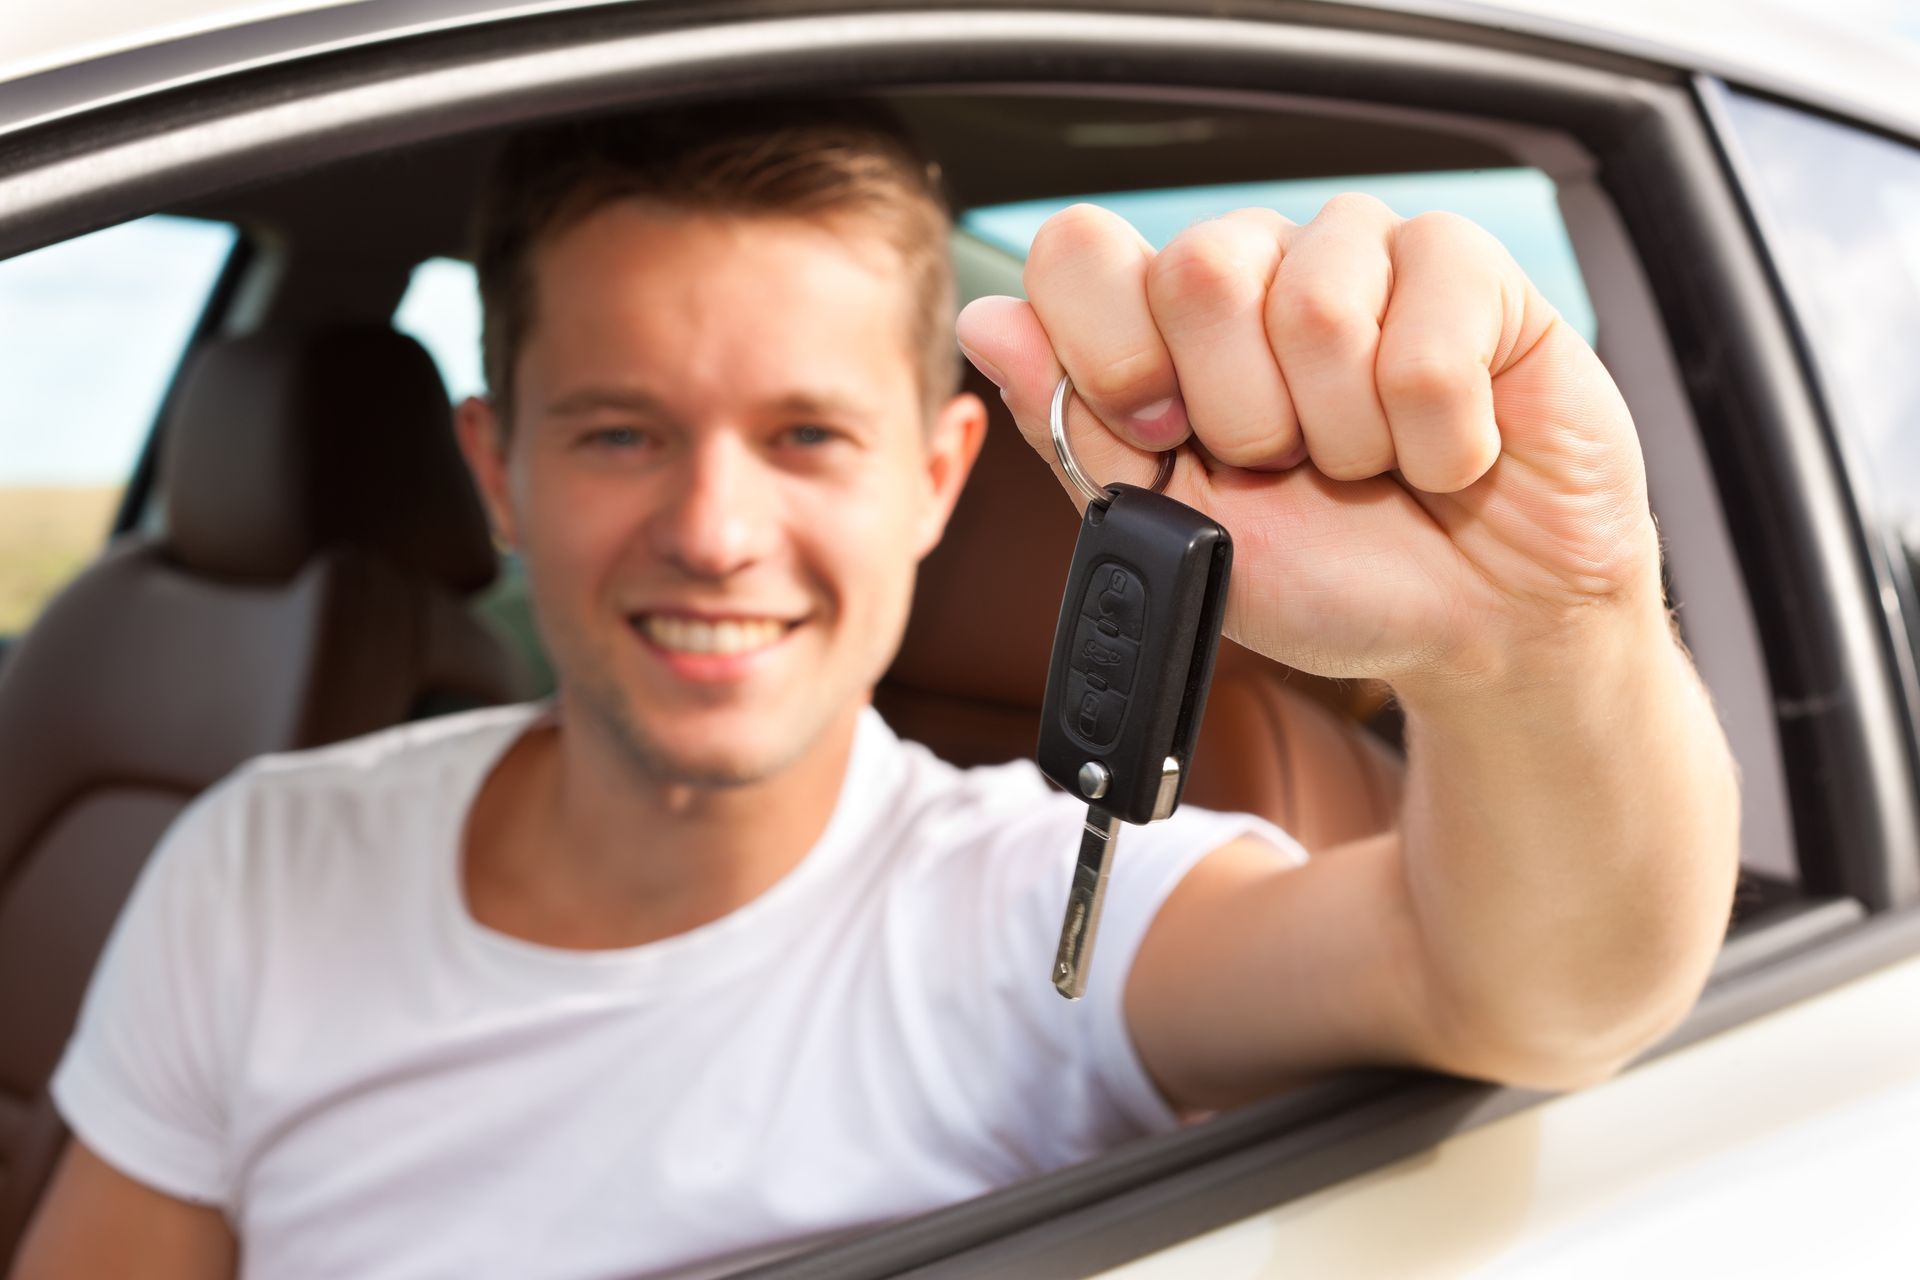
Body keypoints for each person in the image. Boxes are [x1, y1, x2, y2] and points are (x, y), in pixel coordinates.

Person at [14, 101, 1740, 1278]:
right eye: (618, 434)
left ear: (936, 478)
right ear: (497, 473)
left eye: (805, 437)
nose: (713, 531)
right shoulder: (259, 859)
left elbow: (1531, 995)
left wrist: (1544, 641)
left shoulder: (1025, 907)